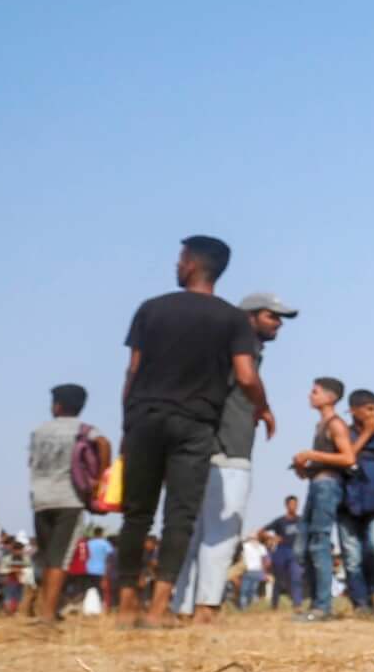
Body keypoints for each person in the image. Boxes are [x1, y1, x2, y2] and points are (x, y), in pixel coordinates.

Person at [113, 237, 267, 627]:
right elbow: (247, 376)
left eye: (180, 259)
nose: (177, 265)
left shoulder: (151, 309)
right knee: (178, 517)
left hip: (146, 417)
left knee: (137, 514)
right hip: (196, 425)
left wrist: (127, 424)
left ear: (193, 265)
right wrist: (262, 407)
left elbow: (133, 370)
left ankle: (127, 606)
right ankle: (158, 609)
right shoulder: (231, 319)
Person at [176, 288, 294, 619]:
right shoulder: (242, 350)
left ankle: (182, 606)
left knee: (197, 531)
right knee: (221, 531)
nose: (278, 325)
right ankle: (207, 606)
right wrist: (264, 406)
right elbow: (245, 380)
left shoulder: (212, 348)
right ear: (248, 317)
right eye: (272, 316)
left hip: (205, 447)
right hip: (230, 448)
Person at [23, 386, 104, 628]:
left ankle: (48, 609)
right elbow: (104, 443)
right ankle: (48, 614)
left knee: (48, 557)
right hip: (69, 500)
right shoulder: (84, 430)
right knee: (60, 559)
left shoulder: (39, 431)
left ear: (56, 405)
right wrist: (100, 478)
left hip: (41, 499)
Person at [287, 377, 360, 621]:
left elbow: (348, 458)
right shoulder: (322, 425)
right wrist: (305, 466)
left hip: (327, 487)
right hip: (317, 484)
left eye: (315, 391)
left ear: (330, 397)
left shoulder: (335, 424)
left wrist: (310, 454)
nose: (311, 395)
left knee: (319, 543)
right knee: (304, 546)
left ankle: (322, 606)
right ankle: (315, 602)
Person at [336, 389, 374, 615]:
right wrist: (365, 435)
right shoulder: (343, 433)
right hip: (348, 504)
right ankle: (361, 604)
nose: (373, 414)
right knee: (352, 557)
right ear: (353, 411)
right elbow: (345, 458)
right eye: (369, 409)